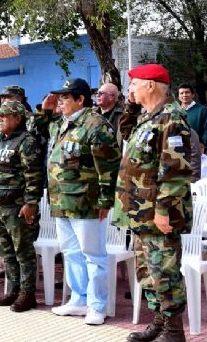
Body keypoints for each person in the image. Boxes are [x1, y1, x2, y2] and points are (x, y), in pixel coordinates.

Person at [37, 78, 121, 325]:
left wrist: (105, 200)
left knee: (93, 256)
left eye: (65, 97)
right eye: (59, 97)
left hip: (87, 202)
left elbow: (109, 167)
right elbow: (40, 131)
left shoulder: (95, 125)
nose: (60, 101)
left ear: (80, 99)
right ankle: (79, 299)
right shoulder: (62, 124)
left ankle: (97, 305)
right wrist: (44, 112)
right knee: (71, 253)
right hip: (62, 201)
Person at [120, 65, 192, 342]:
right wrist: (129, 102)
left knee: (165, 271)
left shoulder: (172, 119)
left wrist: (163, 211)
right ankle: (160, 324)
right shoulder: (148, 118)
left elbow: (176, 171)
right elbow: (125, 132)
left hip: (158, 213)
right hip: (140, 212)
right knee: (148, 273)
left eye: (135, 85)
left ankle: (174, 333)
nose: (131, 91)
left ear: (151, 85)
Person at [0, 100, 44, 312]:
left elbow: (34, 177)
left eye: (4, 116)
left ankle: (28, 294)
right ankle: (14, 289)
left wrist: (30, 204)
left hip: (16, 207)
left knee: (23, 252)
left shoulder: (26, 141)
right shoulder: (0, 139)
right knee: (7, 252)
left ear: (18, 119)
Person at [177, 83, 207, 155]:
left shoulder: (202, 110)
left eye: (187, 92)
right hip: (179, 152)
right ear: (178, 96)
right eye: (181, 93)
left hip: (197, 152)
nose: (184, 95)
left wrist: (204, 149)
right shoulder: (176, 111)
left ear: (193, 95)